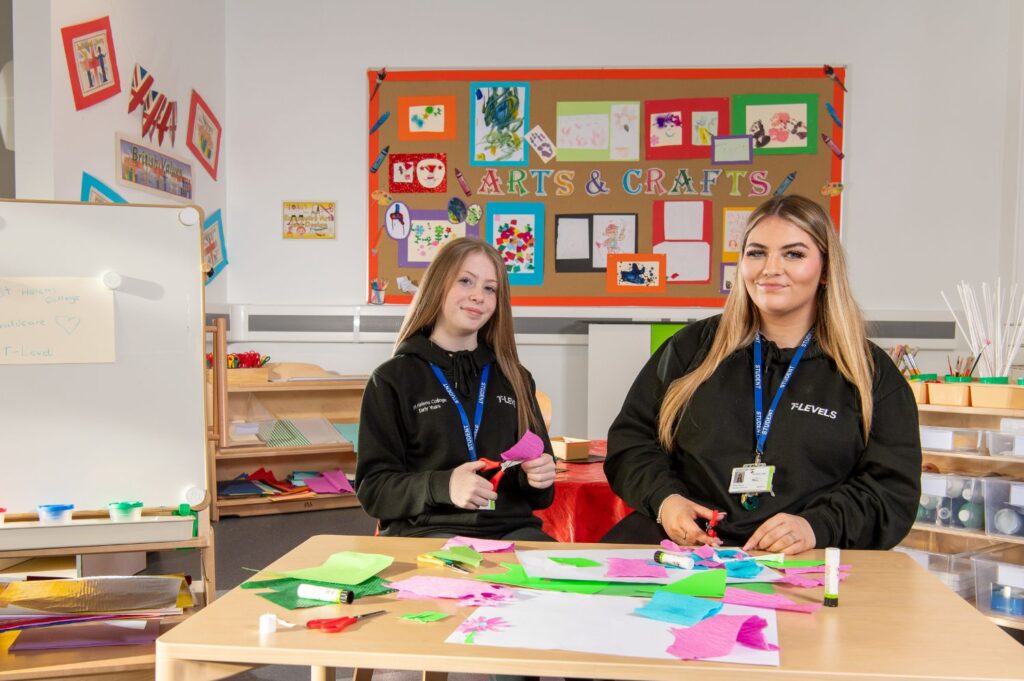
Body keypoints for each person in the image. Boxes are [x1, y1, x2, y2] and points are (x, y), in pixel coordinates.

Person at [603, 194, 921, 554]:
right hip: (683, 551)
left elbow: (891, 491)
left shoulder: (871, 374)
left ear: (826, 270)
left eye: (794, 254)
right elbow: (632, 442)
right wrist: (665, 500)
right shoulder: (691, 349)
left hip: (806, 561)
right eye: (756, 253)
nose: (771, 268)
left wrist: (816, 526)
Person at [356, 237, 557, 540]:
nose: (478, 296)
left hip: (512, 532)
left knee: (563, 584)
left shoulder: (515, 377)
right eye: (466, 281)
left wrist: (537, 478)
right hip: (428, 534)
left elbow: (541, 497)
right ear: (438, 285)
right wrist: (444, 486)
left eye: (490, 288)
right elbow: (374, 490)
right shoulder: (392, 379)